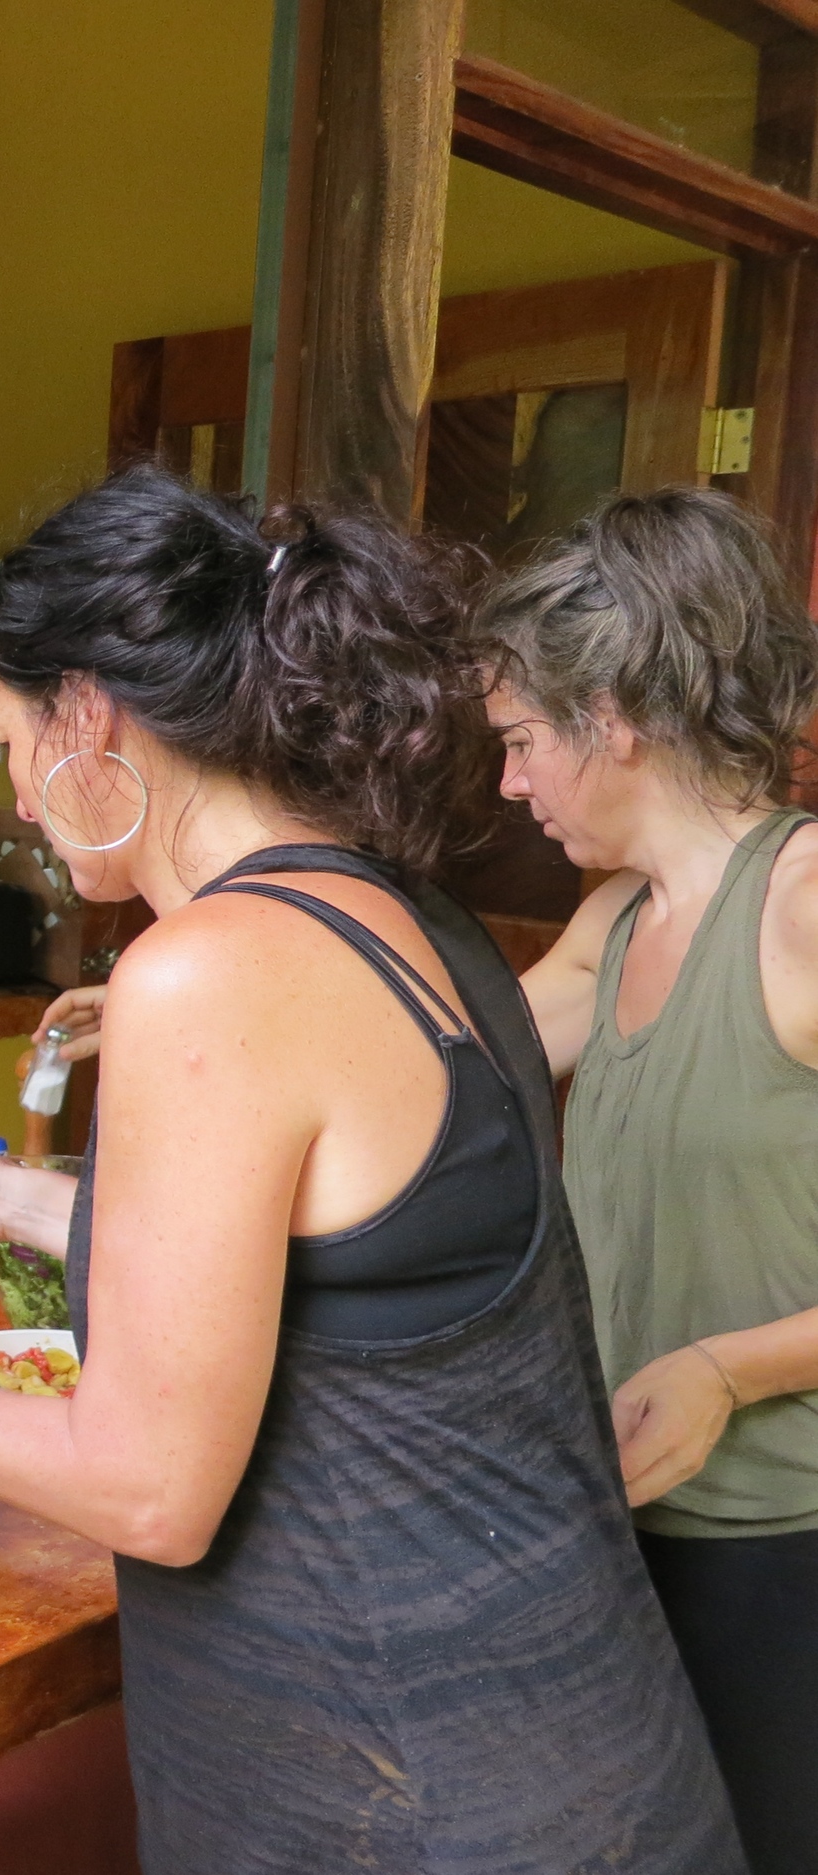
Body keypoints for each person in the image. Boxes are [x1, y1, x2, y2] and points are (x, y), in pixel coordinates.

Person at [0, 468, 742, 1872]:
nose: (20, 792)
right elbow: (361, 1267)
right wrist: (50, 1201)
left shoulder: (204, 969)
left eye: (15, 741)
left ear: (90, 713)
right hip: (572, 1747)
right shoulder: (406, 911)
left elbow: (150, 1486)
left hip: (414, 1789)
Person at [478, 488, 818, 1875]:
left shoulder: (801, 904)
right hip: (621, 1519)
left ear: (610, 712)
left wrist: (730, 1368)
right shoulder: (616, 915)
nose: (509, 784)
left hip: (787, 1548)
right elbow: (444, 1074)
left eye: (518, 741)